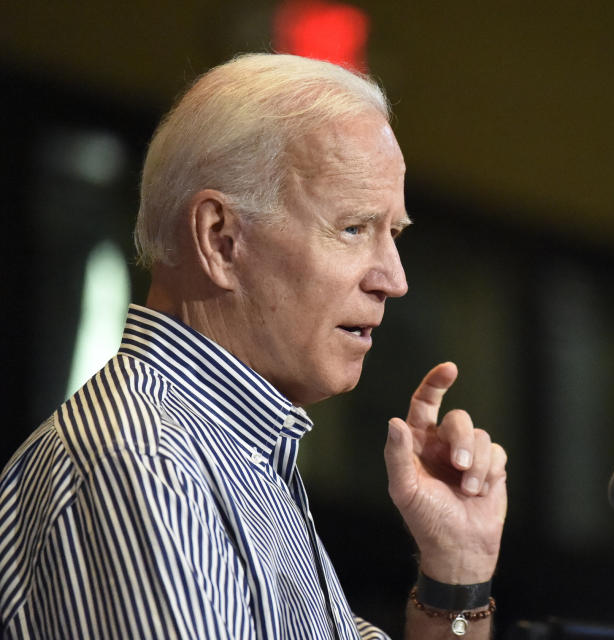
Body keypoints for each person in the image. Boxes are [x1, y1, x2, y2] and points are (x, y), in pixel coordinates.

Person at [0, 53, 507, 639]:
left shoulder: (243, 462)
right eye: (353, 228)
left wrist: (456, 570)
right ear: (221, 239)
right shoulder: (147, 466)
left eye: (391, 235)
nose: (394, 280)